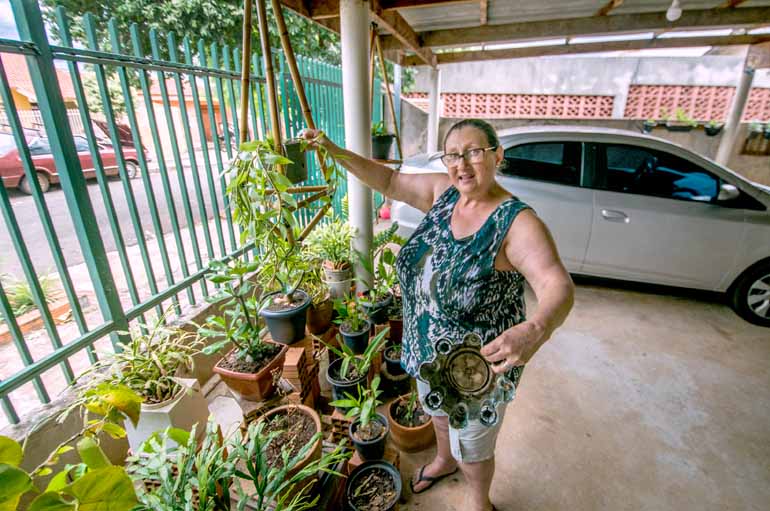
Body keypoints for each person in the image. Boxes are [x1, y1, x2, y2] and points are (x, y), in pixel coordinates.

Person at [302, 119, 574, 511]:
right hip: (427, 348)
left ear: (497, 155)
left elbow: (557, 285)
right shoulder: (445, 193)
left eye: (474, 152)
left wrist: (536, 328)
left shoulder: (516, 222)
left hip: (477, 369)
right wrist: (334, 149)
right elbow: (391, 182)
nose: (462, 163)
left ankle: (478, 501)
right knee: (438, 415)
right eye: (453, 154)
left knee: (474, 448)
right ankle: (444, 460)